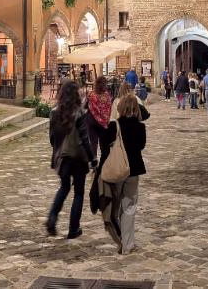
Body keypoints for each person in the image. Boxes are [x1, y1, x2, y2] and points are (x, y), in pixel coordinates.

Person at [47, 79, 97, 238]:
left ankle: (52, 218)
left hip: (62, 157)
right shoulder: (80, 114)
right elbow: (85, 139)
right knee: (79, 193)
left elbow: (52, 138)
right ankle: (73, 228)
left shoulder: (54, 112)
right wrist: (93, 159)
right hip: (78, 158)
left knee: (64, 187)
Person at [99, 93, 147, 255]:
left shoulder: (114, 125)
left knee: (116, 208)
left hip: (117, 170)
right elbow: (141, 146)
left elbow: (105, 147)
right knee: (129, 207)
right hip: (133, 170)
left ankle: (121, 241)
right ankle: (128, 244)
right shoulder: (140, 127)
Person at [85, 75, 113, 158]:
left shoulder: (91, 94)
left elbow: (86, 106)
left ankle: (94, 160)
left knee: (93, 142)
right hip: (103, 122)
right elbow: (109, 108)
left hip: (91, 120)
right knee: (103, 142)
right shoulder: (107, 96)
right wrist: (106, 119)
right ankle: (104, 161)